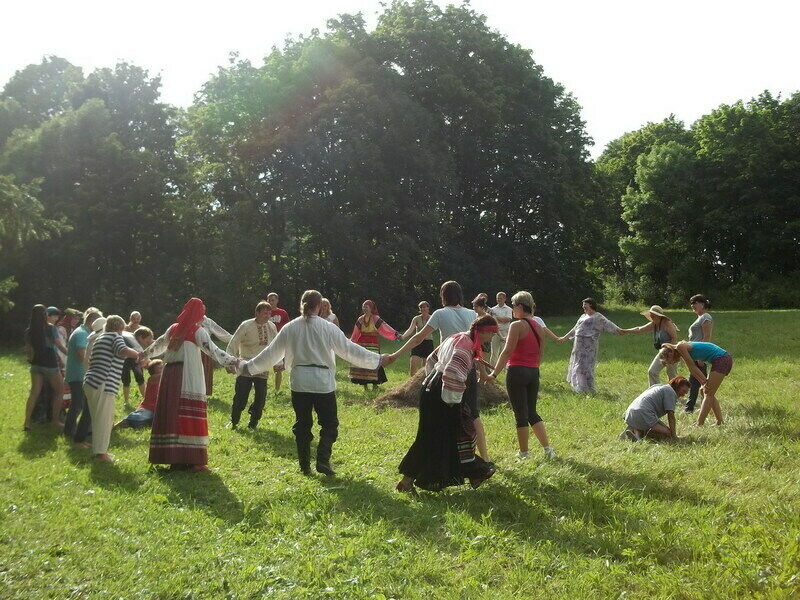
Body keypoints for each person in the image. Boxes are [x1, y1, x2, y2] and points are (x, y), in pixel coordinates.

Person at [236, 290, 396, 475]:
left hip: (300, 382)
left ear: (302, 304)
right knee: (329, 424)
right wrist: (377, 360)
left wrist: (248, 367)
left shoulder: (291, 327)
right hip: (322, 383)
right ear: (319, 306)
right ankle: (322, 460)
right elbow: (349, 350)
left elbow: (271, 353)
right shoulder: (327, 327)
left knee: (302, 425)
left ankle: (305, 466)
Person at [395, 315, 498, 493]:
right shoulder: (465, 345)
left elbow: (431, 359)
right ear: (483, 332)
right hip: (441, 394)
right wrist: (453, 400)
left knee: (440, 436)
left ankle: (475, 472)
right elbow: (452, 372)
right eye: (492, 334)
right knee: (445, 435)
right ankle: (475, 471)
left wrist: (432, 378)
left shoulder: (457, 337)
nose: (492, 337)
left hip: (432, 388)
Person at [395, 280, 489, 462]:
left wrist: (396, 354)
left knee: (445, 415)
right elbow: (478, 348)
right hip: (468, 369)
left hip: (447, 372)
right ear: (459, 295)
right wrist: (482, 372)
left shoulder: (440, 313)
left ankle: (447, 457)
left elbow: (418, 337)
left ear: (443, 296)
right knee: (474, 415)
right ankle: (484, 458)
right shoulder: (471, 314)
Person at [144, 298, 241, 471]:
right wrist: (234, 360)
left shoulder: (173, 329)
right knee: (188, 413)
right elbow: (213, 350)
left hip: (170, 377)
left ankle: (174, 458)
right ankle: (194, 460)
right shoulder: (197, 331)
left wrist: (143, 355)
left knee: (173, 413)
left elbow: (158, 346)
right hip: (188, 375)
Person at [485, 291, 557, 460]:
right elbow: (540, 352)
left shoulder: (516, 325)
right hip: (533, 372)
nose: (511, 309)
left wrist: (494, 373)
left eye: (513, 306)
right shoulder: (538, 326)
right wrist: (533, 368)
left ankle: (524, 453)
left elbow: (507, 351)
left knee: (520, 415)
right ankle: (548, 449)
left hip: (517, 371)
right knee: (532, 412)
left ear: (519, 307)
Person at [82, 315, 142, 461]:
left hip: (91, 382)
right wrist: (139, 355)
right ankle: (101, 454)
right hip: (103, 383)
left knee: (98, 418)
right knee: (104, 420)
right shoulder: (115, 337)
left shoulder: (100, 338)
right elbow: (122, 350)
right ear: (120, 327)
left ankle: (99, 451)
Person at [226, 301, 278, 429]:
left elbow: (276, 346)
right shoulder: (246, 325)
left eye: (269, 313)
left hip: (262, 365)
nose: (267, 316)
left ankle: (253, 423)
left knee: (260, 398)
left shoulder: (271, 326)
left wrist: (278, 362)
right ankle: (234, 421)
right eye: (265, 313)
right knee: (241, 395)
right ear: (257, 313)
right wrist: (229, 362)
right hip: (246, 364)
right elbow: (233, 343)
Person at [659, 341, 732, 426]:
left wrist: (705, 381)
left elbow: (692, 367)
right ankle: (720, 421)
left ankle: (699, 423)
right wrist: (703, 382)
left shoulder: (680, 347)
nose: (672, 363)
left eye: (669, 361)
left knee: (708, 393)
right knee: (704, 391)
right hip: (720, 360)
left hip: (722, 359)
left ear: (670, 354)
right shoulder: (681, 350)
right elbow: (692, 370)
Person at [557, 298, 622, 393]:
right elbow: (575, 329)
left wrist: (619, 330)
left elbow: (608, 324)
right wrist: (564, 337)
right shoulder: (582, 316)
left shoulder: (598, 317)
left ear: (591, 305)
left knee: (587, 366)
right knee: (578, 365)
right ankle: (578, 388)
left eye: (585, 305)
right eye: (583, 305)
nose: (583, 307)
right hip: (578, 346)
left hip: (589, 346)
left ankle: (589, 389)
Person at [23, 304, 67, 430]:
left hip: (36, 364)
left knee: (34, 393)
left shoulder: (29, 331)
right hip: (50, 363)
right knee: (60, 391)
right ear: (45, 315)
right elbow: (59, 345)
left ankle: (27, 422)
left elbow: (28, 349)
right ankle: (55, 420)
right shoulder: (50, 328)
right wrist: (70, 355)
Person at [63, 307, 103, 439]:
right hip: (78, 375)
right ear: (93, 322)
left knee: (79, 403)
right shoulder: (81, 334)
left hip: (80, 374)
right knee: (78, 404)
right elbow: (82, 355)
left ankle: (72, 430)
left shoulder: (83, 332)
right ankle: (70, 431)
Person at [349, 300, 401, 390]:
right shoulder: (360, 319)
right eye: (363, 306)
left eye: (366, 306)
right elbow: (356, 332)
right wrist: (351, 343)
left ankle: (375, 385)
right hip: (362, 343)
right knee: (363, 362)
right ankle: (364, 385)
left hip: (373, 344)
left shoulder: (375, 318)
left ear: (371, 308)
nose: (364, 308)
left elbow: (385, 327)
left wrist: (395, 334)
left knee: (374, 362)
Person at [620, 305, 679, 385]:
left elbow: (674, 339)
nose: (651, 316)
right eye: (650, 314)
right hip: (663, 351)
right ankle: (655, 392)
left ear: (659, 316)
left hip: (673, 352)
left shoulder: (667, 324)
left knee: (672, 375)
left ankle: (675, 395)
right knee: (652, 371)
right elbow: (639, 329)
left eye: (653, 314)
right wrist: (626, 331)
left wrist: (669, 355)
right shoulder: (653, 324)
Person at [620, 377, 691, 441]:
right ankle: (637, 433)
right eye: (683, 391)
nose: (683, 395)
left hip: (630, 412)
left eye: (685, 393)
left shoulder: (659, 386)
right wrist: (674, 436)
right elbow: (671, 416)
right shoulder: (670, 392)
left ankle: (635, 432)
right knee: (668, 434)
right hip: (643, 413)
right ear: (677, 386)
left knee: (661, 429)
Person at [684, 294, 714, 413]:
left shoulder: (706, 317)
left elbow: (707, 337)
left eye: (695, 303)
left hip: (699, 355)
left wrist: (701, 356)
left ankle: (692, 408)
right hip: (694, 354)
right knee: (697, 381)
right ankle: (698, 406)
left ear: (702, 304)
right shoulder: (700, 317)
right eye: (691, 303)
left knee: (698, 381)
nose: (692, 306)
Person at [115, 360, 164, 429]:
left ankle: (139, 423)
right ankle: (126, 421)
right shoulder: (153, 378)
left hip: (156, 408)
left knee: (152, 420)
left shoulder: (162, 380)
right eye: (160, 368)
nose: (163, 369)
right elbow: (161, 376)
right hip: (148, 407)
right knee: (141, 416)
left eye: (163, 367)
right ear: (153, 371)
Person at [199, 314, 232, 396]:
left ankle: (204, 393)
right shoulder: (189, 320)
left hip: (206, 350)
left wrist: (236, 339)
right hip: (193, 350)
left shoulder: (208, 322)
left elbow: (221, 333)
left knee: (205, 371)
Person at [400, 301, 433, 376]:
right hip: (417, 342)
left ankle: (423, 384)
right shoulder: (416, 318)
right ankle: (411, 383)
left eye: (424, 307)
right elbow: (410, 329)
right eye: (421, 307)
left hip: (428, 343)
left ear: (428, 308)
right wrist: (403, 336)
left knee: (426, 367)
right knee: (413, 362)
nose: (423, 308)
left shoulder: (432, 318)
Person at [266, 292, 290, 392]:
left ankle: (277, 389)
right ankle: (262, 387)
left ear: (277, 300)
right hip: (266, 341)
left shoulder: (282, 312)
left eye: (273, 300)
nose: (271, 302)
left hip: (279, 342)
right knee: (263, 365)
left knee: (278, 367)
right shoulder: (264, 311)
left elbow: (287, 326)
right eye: (269, 300)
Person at [120, 327, 150, 405]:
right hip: (129, 357)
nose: (147, 343)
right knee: (139, 378)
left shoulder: (129, 335)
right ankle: (146, 399)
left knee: (126, 380)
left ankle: (126, 401)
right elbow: (140, 355)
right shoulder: (136, 344)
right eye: (146, 341)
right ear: (140, 337)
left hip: (125, 357)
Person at [488, 292, 513, 365]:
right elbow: (491, 320)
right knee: (494, 352)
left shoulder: (508, 309)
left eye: (500, 298)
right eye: (497, 298)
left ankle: (505, 369)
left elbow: (507, 319)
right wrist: (498, 319)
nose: (499, 299)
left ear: (505, 299)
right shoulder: (493, 309)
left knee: (504, 351)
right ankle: (492, 369)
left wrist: (496, 318)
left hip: (505, 332)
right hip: (495, 333)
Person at [471, 295, 492, 362]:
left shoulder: (487, 317)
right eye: (473, 306)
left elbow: (491, 331)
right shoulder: (473, 315)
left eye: (476, 306)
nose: (474, 308)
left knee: (483, 361)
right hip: (475, 340)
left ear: (482, 307)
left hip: (484, 341)